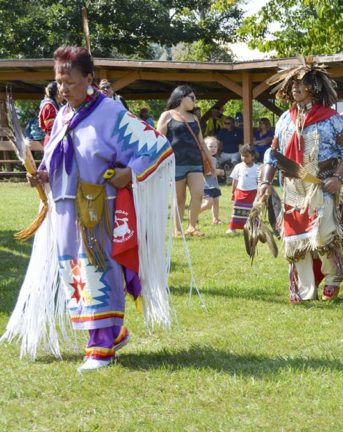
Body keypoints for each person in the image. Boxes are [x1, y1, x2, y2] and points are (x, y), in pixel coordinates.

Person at [2, 46, 175, 372]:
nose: (63, 89)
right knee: (76, 274)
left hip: (98, 210)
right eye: (59, 82)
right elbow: (58, 161)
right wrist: (41, 174)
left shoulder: (111, 113)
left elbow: (157, 147)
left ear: (89, 78)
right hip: (65, 211)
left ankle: (100, 347)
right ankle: (113, 333)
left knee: (98, 271)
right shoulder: (64, 115)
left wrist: (130, 173)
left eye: (70, 81)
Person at [257, 61, 343, 304]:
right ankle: (305, 289)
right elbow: (273, 152)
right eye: (292, 83)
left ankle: (332, 278)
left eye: (301, 83)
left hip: (321, 184)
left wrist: (338, 178)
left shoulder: (331, 118)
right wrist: (265, 181)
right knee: (296, 240)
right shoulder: (285, 118)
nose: (295, 87)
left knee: (325, 234)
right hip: (293, 187)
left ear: (314, 87)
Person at [157, 85, 216, 237]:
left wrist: (211, 162)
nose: (195, 101)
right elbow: (158, 139)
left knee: (198, 194)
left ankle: (192, 227)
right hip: (176, 163)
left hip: (195, 162)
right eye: (192, 97)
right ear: (181, 97)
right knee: (180, 198)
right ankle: (178, 229)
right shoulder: (167, 115)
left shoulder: (195, 118)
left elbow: (202, 142)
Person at [227, 145, 261, 234]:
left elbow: (259, 182)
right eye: (242, 155)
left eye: (247, 156)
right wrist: (233, 192)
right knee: (236, 210)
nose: (244, 158)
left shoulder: (257, 168)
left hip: (253, 192)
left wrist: (260, 194)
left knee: (251, 211)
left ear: (253, 156)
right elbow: (235, 180)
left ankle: (252, 227)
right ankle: (232, 228)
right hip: (240, 191)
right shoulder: (238, 166)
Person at [200, 136, 225, 225]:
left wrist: (218, 172)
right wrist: (219, 172)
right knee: (208, 202)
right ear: (204, 147)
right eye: (211, 146)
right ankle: (194, 214)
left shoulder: (214, 159)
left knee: (216, 202)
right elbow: (206, 172)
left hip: (214, 185)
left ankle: (216, 219)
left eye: (215, 147)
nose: (213, 148)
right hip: (206, 185)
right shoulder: (204, 159)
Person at [39, 81, 64, 146]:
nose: (64, 94)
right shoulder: (48, 106)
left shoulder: (56, 105)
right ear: (57, 92)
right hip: (52, 139)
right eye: (62, 92)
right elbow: (49, 124)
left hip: (56, 138)